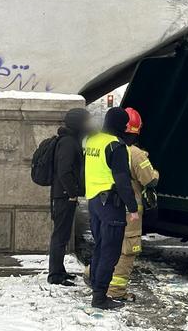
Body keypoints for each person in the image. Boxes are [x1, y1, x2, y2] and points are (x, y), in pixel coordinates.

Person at [84, 107, 139, 310]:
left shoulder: (93, 141)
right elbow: (123, 181)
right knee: (110, 252)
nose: (126, 126)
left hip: (94, 202)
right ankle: (100, 298)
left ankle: (96, 288)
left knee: (99, 247)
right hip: (111, 204)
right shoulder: (116, 146)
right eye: (125, 123)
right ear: (119, 124)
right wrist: (132, 208)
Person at [107, 107, 160, 301]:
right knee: (127, 250)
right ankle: (116, 291)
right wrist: (155, 174)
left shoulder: (109, 146)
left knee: (108, 245)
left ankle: (92, 274)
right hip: (131, 211)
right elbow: (149, 180)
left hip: (108, 207)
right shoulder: (136, 154)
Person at [48, 108, 91, 286]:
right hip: (64, 195)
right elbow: (64, 171)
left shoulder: (70, 141)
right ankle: (55, 275)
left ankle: (59, 271)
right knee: (60, 235)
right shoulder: (68, 143)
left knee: (63, 235)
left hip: (63, 194)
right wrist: (73, 193)